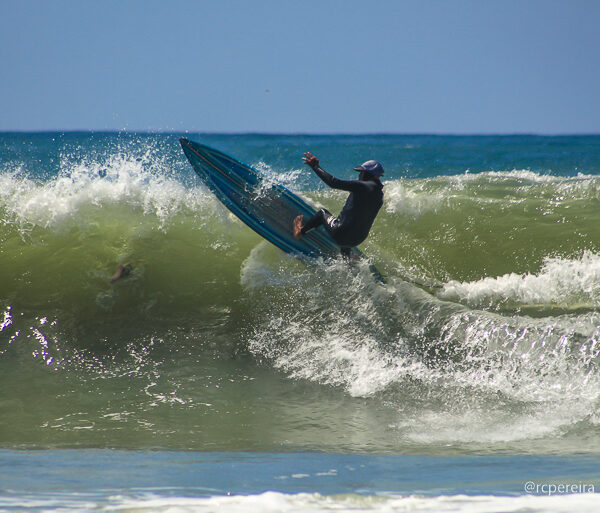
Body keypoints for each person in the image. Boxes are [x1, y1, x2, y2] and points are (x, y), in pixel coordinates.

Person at [293, 152, 384, 257]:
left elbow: (334, 182)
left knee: (322, 213)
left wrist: (315, 166)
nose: (359, 175)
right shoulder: (380, 195)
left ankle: (300, 232)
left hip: (340, 234)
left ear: (368, 174)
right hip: (358, 240)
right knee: (351, 224)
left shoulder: (362, 186)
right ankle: (347, 261)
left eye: (361, 172)